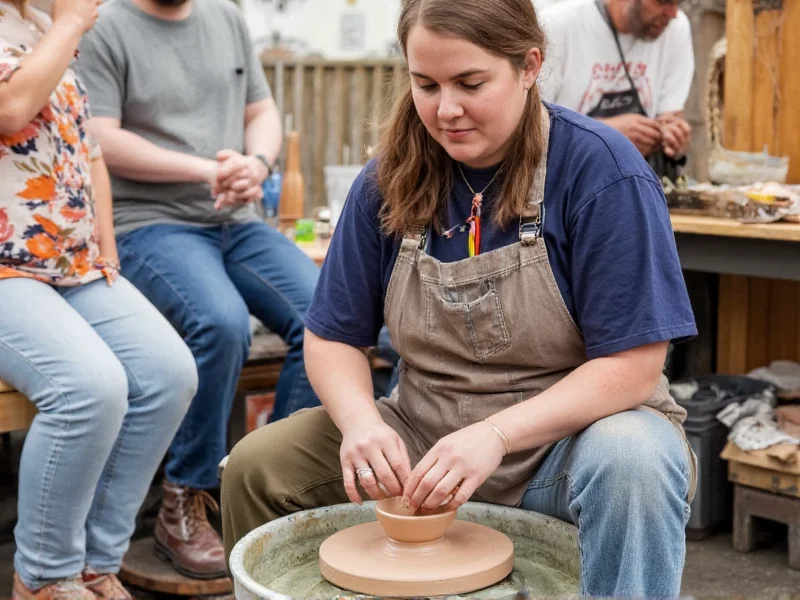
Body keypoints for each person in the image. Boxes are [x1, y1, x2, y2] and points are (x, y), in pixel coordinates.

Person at [221, 0, 699, 597]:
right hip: (421, 438)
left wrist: (494, 436)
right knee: (260, 465)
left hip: (563, 451)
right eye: (426, 85)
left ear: (529, 66)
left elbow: (633, 369)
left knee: (635, 461)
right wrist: (362, 422)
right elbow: (333, 335)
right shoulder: (389, 177)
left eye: (471, 83)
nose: (446, 110)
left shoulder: (601, 171)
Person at [75, 0, 321, 579]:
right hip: (148, 223)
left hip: (236, 220)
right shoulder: (105, 26)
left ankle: (266, 489)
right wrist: (206, 170)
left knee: (326, 317)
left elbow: (261, 111)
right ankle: (183, 498)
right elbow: (100, 138)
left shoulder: (226, 17)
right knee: (220, 321)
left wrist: (257, 164)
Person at [0, 0, 198, 598]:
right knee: (89, 387)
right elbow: (10, 110)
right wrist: (68, 24)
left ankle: (94, 564)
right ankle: (45, 576)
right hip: (6, 269)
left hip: (73, 263)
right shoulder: (57, 26)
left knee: (168, 373)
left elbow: (87, 150)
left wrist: (105, 246)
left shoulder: (38, 23)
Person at [538, 0, 694, 181]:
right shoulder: (557, 25)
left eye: (678, 3)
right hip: (565, 180)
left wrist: (673, 135)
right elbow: (530, 127)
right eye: (663, 2)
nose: (673, 13)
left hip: (636, 179)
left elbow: (670, 113)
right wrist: (608, 135)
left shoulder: (676, 27)